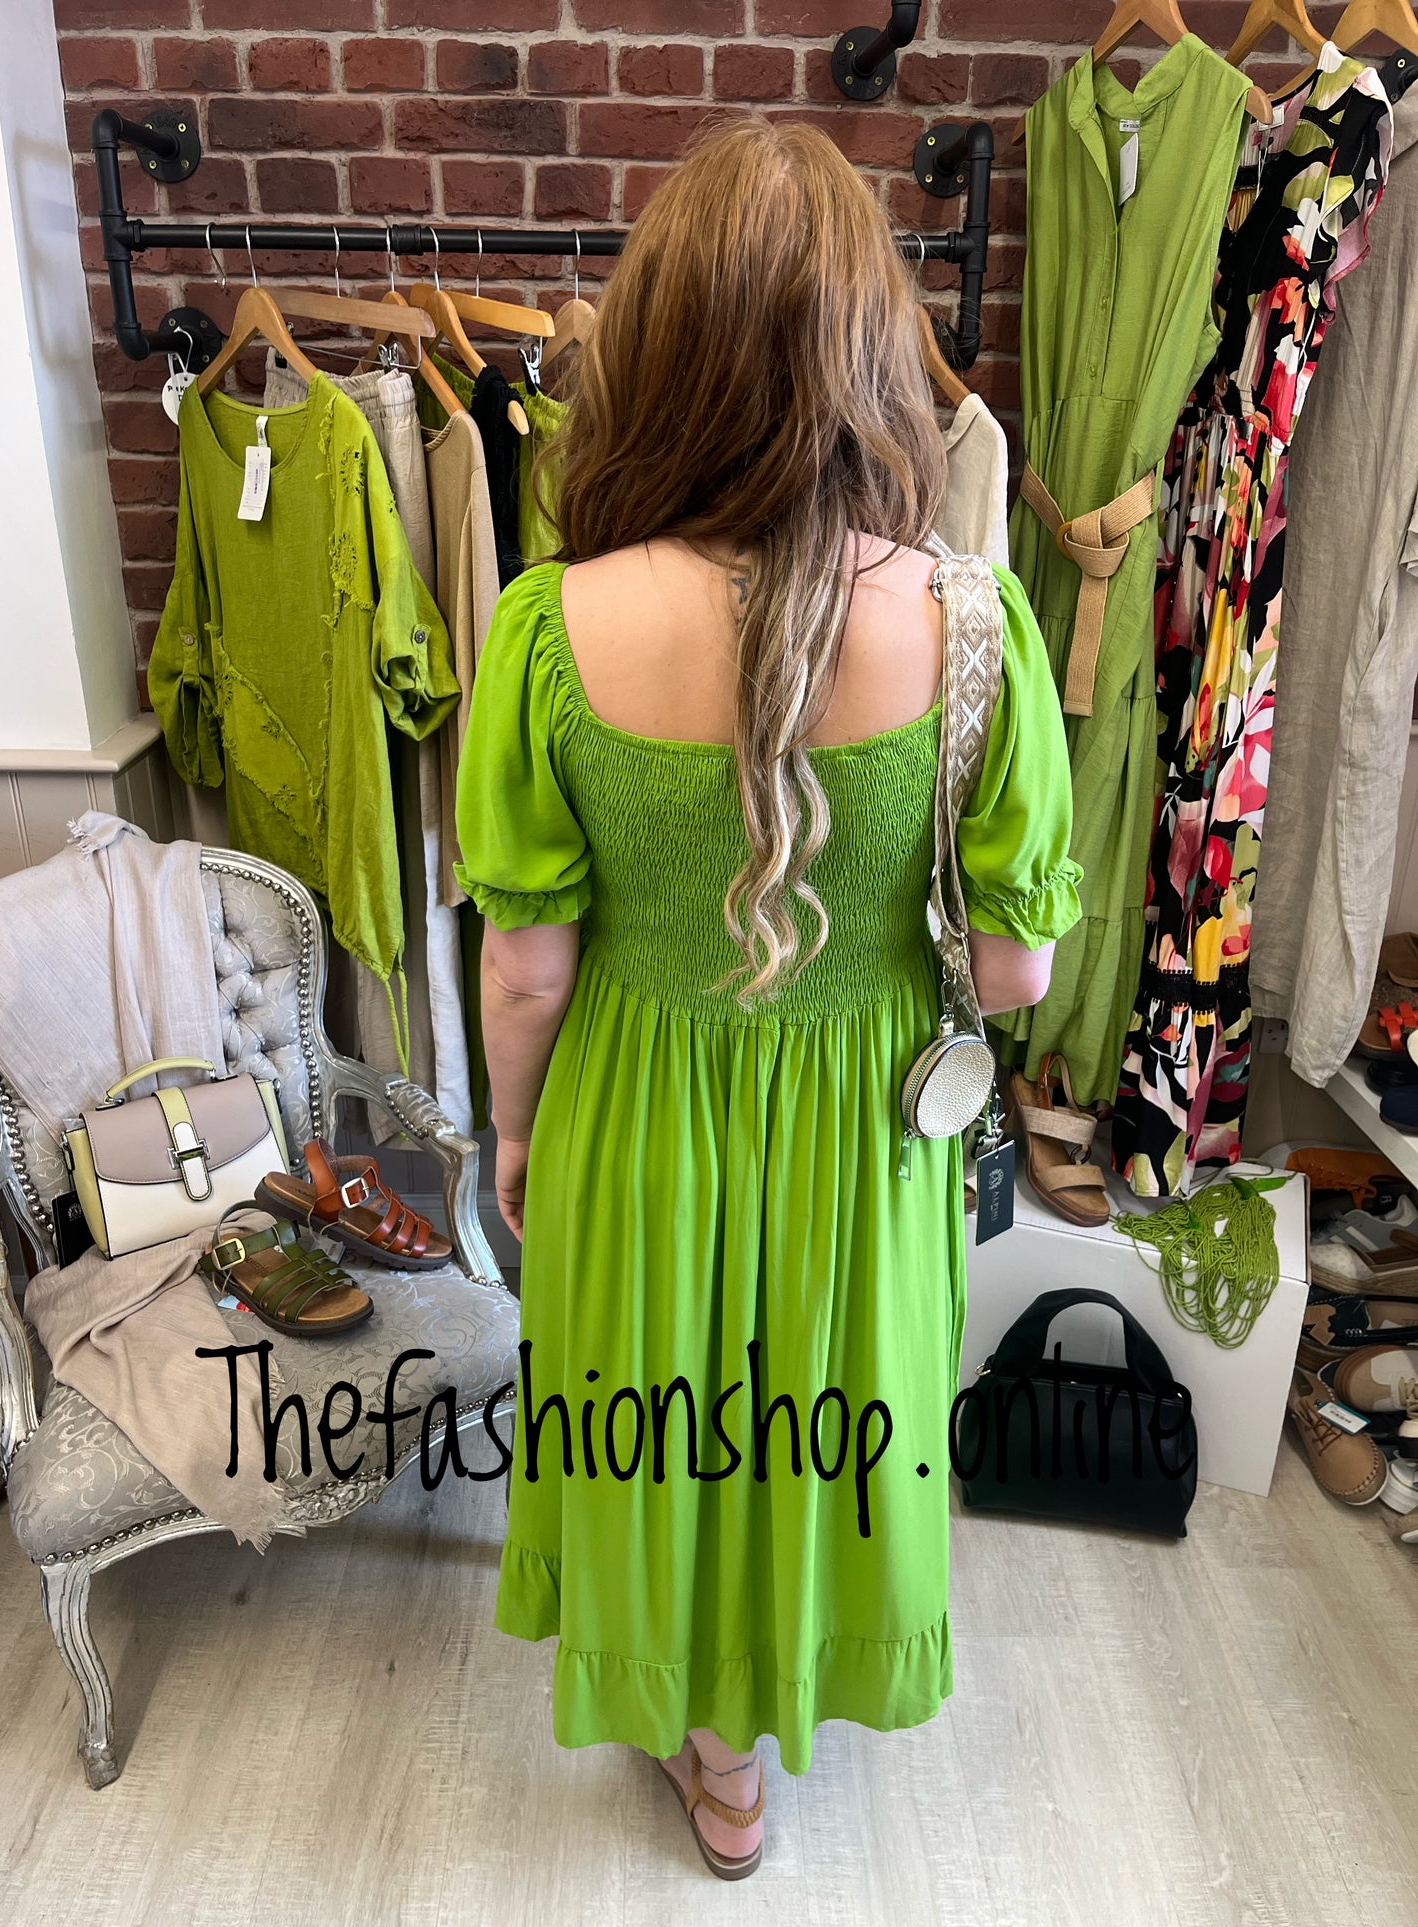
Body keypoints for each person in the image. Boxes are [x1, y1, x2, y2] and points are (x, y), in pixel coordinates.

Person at [452, 116, 1081, 1879]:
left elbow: (524, 960)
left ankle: (704, 1745)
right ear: (871, 350)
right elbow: (1016, 968)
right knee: (823, 1422)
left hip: (632, 1105)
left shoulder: (546, 625)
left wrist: (515, 1135)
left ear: (654, 351)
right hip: (863, 1128)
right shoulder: (977, 626)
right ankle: (767, 1722)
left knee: (653, 1424)